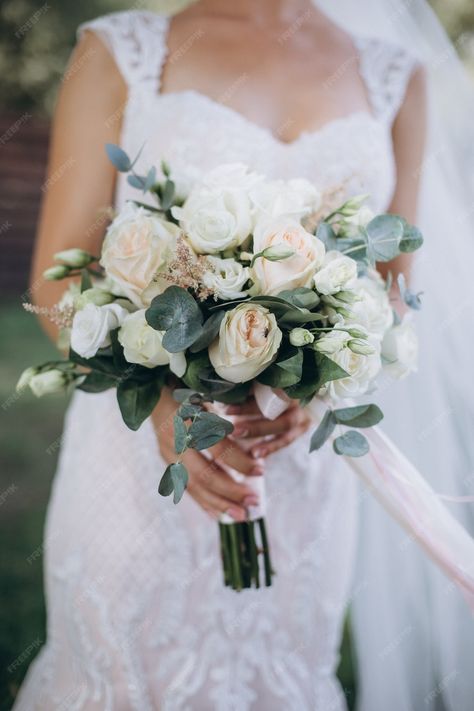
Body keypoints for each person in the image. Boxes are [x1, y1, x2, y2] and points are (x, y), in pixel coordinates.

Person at [13, 1, 444, 709]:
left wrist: (318, 385)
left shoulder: (399, 78)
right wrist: (160, 407)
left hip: (299, 465)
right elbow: (59, 281)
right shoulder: (120, 51)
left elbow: (393, 283)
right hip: (144, 460)